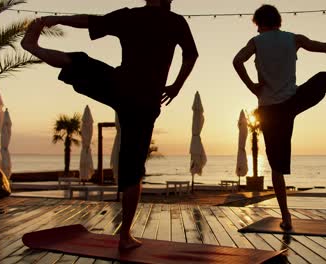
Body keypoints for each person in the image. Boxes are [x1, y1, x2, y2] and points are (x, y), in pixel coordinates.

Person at [21, 0, 198, 249]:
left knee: (80, 62)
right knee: (132, 167)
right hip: (145, 101)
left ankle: (32, 47)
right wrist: (176, 86)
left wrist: (57, 19)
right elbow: (191, 55)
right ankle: (125, 235)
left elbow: (89, 21)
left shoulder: (131, 16)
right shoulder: (176, 21)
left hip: (119, 86)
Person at [233, 4, 326, 230]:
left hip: (270, 110)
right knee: (323, 78)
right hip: (293, 101)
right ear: (278, 21)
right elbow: (325, 48)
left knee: (276, 168)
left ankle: (286, 217)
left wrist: (253, 87)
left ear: (259, 24)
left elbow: (237, 61)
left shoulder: (255, 42)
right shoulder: (294, 39)